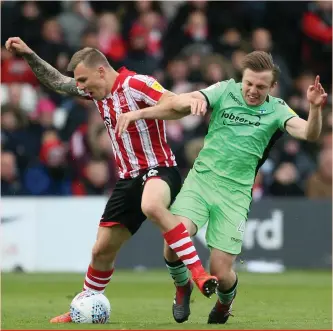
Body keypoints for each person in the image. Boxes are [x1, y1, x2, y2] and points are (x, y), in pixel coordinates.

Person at [5, 37, 218, 323]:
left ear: (101, 71)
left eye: (83, 79)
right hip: (128, 179)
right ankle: (81, 307)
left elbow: (173, 104)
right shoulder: (97, 93)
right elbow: (58, 82)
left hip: (159, 169)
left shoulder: (136, 84)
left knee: (152, 206)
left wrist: (149, 110)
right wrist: (30, 54)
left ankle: (199, 274)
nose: (80, 86)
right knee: (101, 250)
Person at [116, 51, 327, 324]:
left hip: (235, 194)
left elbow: (310, 133)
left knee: (220, 271)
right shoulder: (224, 90)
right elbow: (181, 104)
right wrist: (141, 113)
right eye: (248, 83)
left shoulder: (277, 109)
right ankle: (183, 287)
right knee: (172, 243)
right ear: (242, 79)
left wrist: (315, 108)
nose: (252, 90)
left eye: (260, 86)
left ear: (272, 87)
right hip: (201, 181)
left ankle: (225, 304)